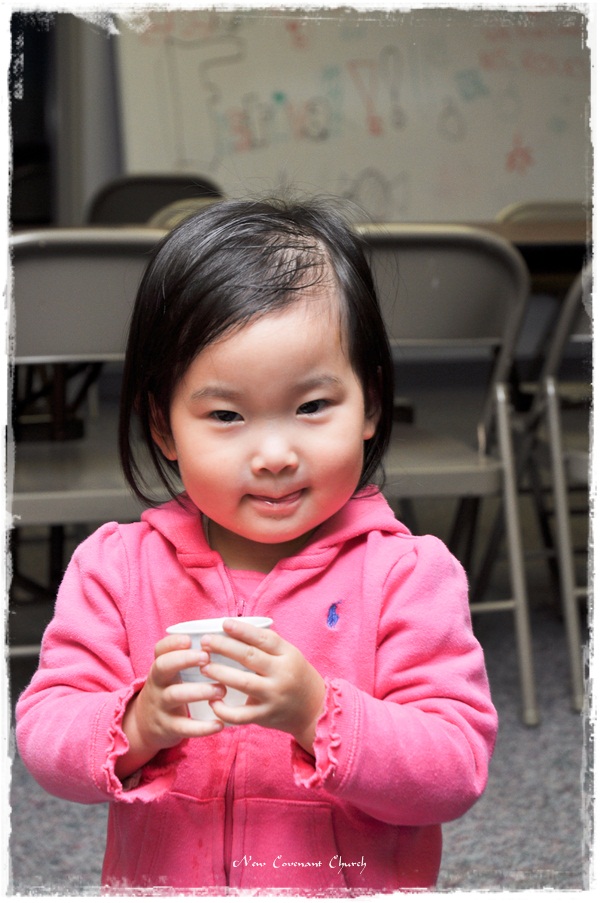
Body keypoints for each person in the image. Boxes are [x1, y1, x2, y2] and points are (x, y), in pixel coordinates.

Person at [16, 197, 498, 892]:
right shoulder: (117, 569)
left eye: (312, 406)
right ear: (163, 426)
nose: (274, 455)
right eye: (226, 415)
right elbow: (45, 735)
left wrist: (317, 712)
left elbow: (454, 769)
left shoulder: (407, 575)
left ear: (370, 402)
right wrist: (139, 721)